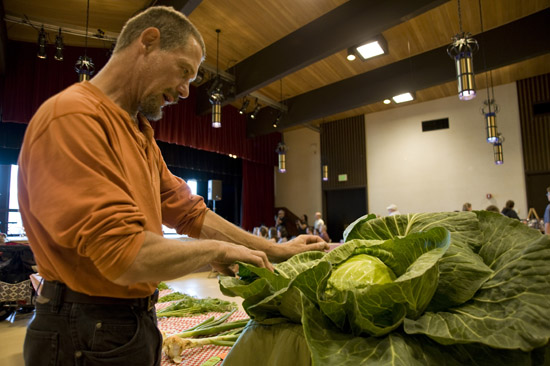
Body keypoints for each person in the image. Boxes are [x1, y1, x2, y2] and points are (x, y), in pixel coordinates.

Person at [17, 7, 328, 365]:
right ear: (148, 42)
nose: (184, 91)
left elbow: (192, 214)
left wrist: (277, 250)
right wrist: (216, 252)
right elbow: (124, 256)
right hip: (84, 329)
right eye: (184, 71)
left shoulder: (140, 134)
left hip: (123, 323)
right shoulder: (74, 117)